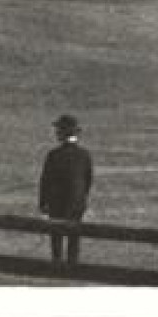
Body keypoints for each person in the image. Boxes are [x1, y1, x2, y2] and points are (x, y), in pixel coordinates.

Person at [39, 114, 93, 266]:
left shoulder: (54, 155)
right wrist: (83, 198)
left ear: (62, 133)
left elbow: (46, 181)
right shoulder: (84, 155)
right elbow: (88, 180)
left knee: (56, 236)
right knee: (74, 238)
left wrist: (43, 203)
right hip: (77, 202)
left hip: (57, 202)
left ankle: (56, 263)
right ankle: (72, 264)